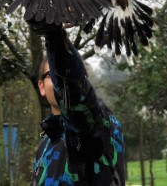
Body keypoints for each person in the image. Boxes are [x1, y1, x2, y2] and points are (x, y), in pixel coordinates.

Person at [31, 24, 125, 186]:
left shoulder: (99, 124)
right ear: (41, 87)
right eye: (51, 75)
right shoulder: (46, 141)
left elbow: (75, 96)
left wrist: (55, 39)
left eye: (59, 75)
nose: (58, 80)